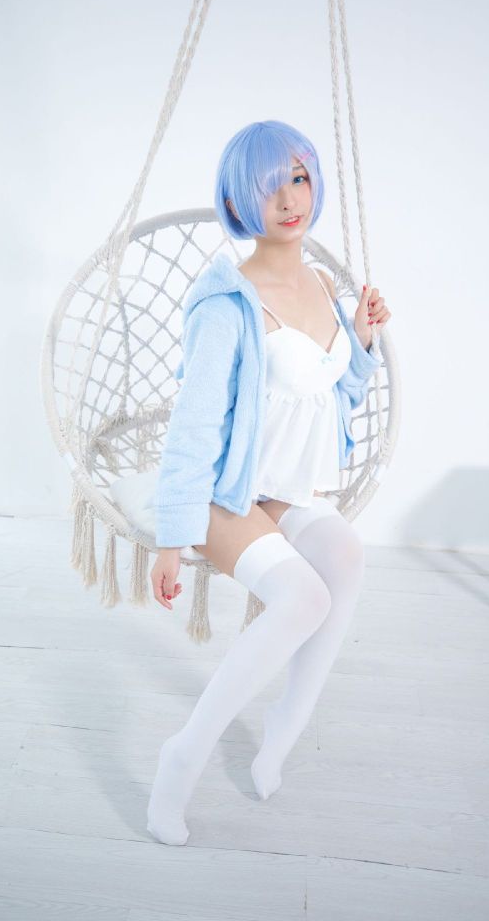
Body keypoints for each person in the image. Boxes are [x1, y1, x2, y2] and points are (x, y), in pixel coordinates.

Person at [146, 119, 391, 845]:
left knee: (346, 556)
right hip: (225, 493)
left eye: (300, 178)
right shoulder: (227, 303)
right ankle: (182, 756)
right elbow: (193, 426)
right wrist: (170, 539)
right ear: (238, 201)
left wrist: (361, 341)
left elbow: (330, 398)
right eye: (268, 186)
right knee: (303, 597)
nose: (289, 199)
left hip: (286, 489)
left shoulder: (321, 284)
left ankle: (283, 731)